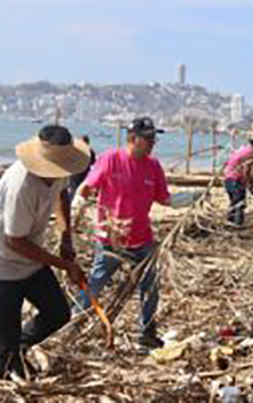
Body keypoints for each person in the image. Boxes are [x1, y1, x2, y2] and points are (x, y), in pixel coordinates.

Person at [0, 125, 88, 381]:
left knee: (58, 312)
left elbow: (61, 196)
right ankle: (2, 373)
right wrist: (63, 265)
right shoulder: (21, 185)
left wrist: (66, 235)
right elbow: (15, 241)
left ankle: (19, 348)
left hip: (30, 261)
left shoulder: (60, 169)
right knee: (2, 351)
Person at [74, 116, 171, 351]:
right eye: (147, 138)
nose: (152, 142)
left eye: (154, 138)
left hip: (142, 238)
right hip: (111, 239)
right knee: (96, 283)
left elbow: (165, 198)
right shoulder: (111, 159)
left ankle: (147, 332)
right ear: (133, 138)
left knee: (151, 287)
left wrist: (193, 199)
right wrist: (76, 207)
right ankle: (73, 323)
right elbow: (87, 187)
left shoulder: (153, 166)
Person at [223, 135, 253, 226]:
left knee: (234, 202)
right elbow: (247, 170)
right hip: (236, 179)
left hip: (228, 178)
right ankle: (237, 225)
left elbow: (227, 163)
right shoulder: (251, 153)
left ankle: (230, 222)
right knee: (239, 204)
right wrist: (250, 185)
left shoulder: (242, 149)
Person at [68, 135, 97, 200]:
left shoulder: (78, 150)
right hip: (81, 173)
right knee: (78, 189)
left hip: (78, 173)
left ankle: (73, 202)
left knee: (75, 189)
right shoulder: (90, 151)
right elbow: (93, 162)